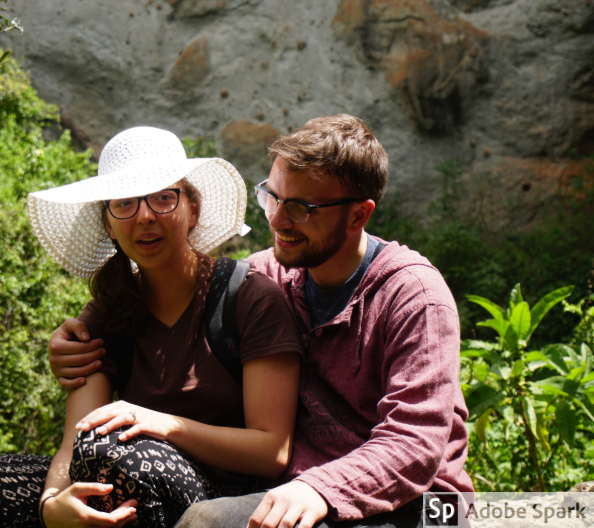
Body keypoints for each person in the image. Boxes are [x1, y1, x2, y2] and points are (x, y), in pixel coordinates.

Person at [50, 116, 472, 528]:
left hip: (422, 503)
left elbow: (415, 442)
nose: (278, 219)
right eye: (273, 197)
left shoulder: (414, 295)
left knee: (207, 522)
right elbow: (182, 287)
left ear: (359, 216)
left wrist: (321, 489)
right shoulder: (269, 276)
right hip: (298, 492)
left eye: (302, 208)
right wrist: (76, 338)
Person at [0, 126, 303, 528]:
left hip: (221, 494)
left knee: (111, 452)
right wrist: (52, 503)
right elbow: (77, 436)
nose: (145, 216)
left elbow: (272, 451)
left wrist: (163, 425)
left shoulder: (247, 298)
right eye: (124, 203)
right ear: (109, 224)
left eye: (164, 197)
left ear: (192, 210)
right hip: (115, 469)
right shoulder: (109, 311)